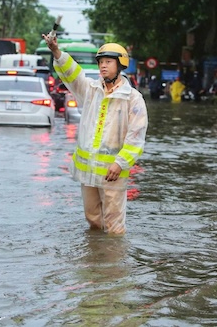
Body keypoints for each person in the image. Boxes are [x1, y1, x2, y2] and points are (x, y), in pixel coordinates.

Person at [42, 34, 148, 234]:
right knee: (93, 222)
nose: (103, 66)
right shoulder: (91, 90)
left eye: (108, 62)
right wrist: (56, 51)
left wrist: (120, 163)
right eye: (101, 62)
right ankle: (95, 262)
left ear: (120, 65)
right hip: (89, 172)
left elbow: (136, 136)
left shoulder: (133, 99)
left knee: (115, 227)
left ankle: (114, 264)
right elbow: (72, 74)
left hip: (113, 173)